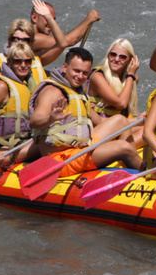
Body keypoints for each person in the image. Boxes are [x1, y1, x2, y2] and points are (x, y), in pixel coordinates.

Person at [29, 47, 142, 177]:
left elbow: (98, 121)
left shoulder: (78, 92)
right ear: (65, 67)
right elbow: (34, 121)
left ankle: (129, 163)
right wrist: (50, 119)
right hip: (61, 160)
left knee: (120, 120)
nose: (80, 77)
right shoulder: (52, 92)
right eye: (76, 71)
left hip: (79, 148)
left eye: (84, 73)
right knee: (123, 146)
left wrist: (138, 122)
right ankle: (148, 175)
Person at [0, 41, 41, 166]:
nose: (23, 65)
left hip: (19, 141)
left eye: (27, 61)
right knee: (46, 146)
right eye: (18, 61)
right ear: (9, 62)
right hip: (0, 146)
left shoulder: (28, 85)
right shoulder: (1, 86)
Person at [0, 0, 67, 81]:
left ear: (31, 43)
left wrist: (48, 17)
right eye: (16, 39)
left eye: (26, 40)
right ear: (9, 40)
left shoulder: (37, 60)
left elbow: (62, 44)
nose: (20, 43)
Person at [30, 0, 100, 63]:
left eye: (53, 20)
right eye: (47, 18)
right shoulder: (34, 38)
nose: (51, 23)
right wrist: (89, 19)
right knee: (60, 46)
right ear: (34, 18)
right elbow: (66, 42)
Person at [88, 38, 140, 119]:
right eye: (113, 55)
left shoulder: (133, 78)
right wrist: (130, 76)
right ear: (108, 55)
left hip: (117, 124)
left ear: (130, 60)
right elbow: (121, 104)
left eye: (122, 57)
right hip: (98, 124)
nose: (116, 59)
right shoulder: (97, 76)